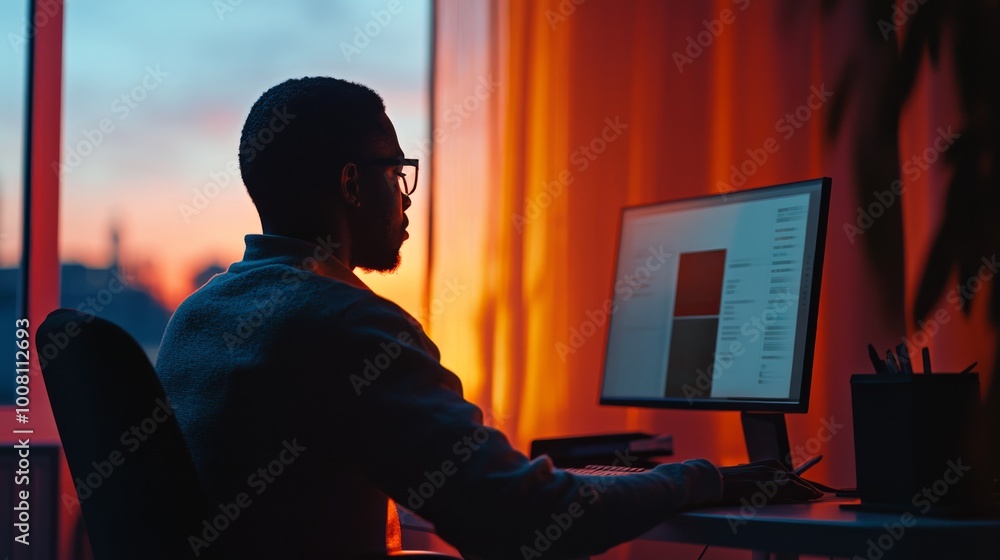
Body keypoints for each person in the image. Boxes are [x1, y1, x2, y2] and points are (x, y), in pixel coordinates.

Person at [155, 76, 821, 560]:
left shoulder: (196, 318)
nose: (407, 199)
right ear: (354, 184)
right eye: (398, 172)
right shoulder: (345, 326)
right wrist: (704, 478)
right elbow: (526, 524)